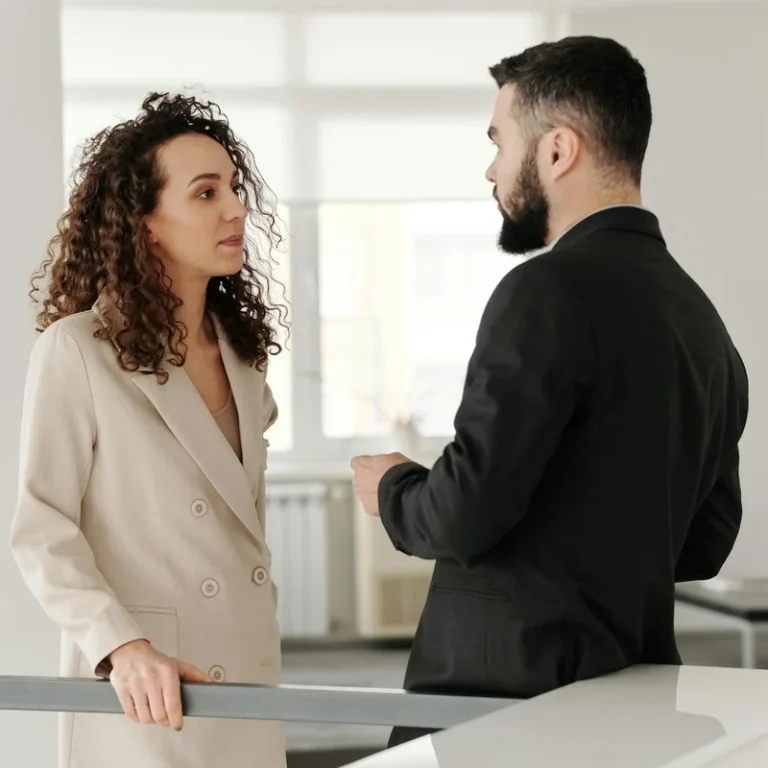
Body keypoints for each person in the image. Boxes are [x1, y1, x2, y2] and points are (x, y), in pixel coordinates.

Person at [351, 35, 749, 748]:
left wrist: (390, 488)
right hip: (632, 702)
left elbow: (460, 516)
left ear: (558, 150)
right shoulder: (701, 318)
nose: (491, 168)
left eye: (500, 142)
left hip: (506, 713)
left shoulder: (544, 291)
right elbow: (705, 541)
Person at [10, 92, 288, 768]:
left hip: (248, 675)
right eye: (204, 192)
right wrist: (121, 646)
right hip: (150, 688)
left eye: (233, 186)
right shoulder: (79, 350)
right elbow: (42, 528)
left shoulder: (242, 354)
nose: (234, 208)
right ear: (145, 221)